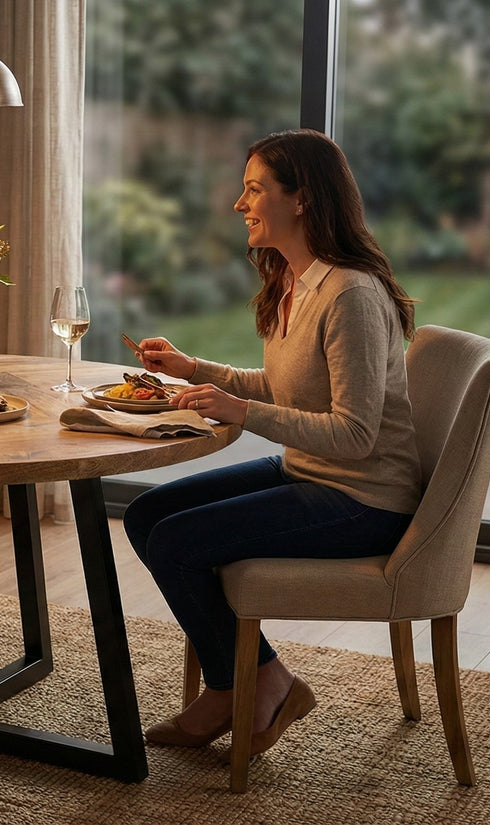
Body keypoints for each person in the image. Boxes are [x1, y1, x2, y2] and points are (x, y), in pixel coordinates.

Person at [124, 128, 421, 756]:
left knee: (176, 542)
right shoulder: (295, 281)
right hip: (312, 473)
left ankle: (243, 686)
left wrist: (241, 411)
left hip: (364, 499)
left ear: (302, 198)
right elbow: (290, 387)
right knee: (147, 514)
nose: (240, 204)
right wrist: (194, 369)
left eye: (255, 189)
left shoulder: (350, 294)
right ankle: (256, 681)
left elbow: (356, 434)